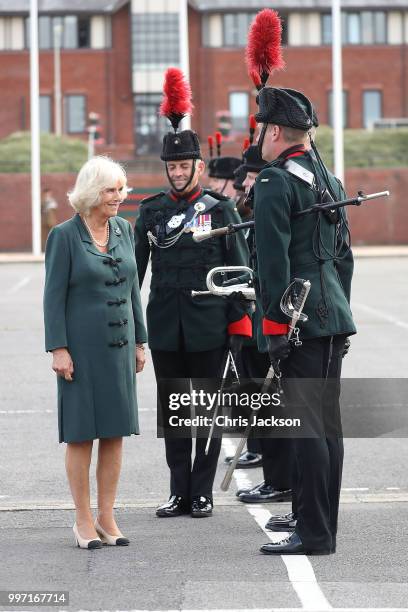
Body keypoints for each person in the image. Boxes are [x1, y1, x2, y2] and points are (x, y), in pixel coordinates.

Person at [134, 68, 251, 519]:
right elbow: (135, 273)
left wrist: (239, 326)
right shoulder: (152, 212)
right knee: (175, 413)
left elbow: (240, 271)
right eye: (172, 167)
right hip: (165, 326)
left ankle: (201, 491)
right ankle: (178, 490)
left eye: (185, 166)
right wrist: (135, 327)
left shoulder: (218, 210)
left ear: (199, 167)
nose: (178, 173)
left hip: (209, 327)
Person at [253, 86, 356, 555]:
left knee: (307, 427)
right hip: (331, 314)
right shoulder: (328, 179)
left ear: (274, 130)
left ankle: (313, 533)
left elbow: (272, 265)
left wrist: (274, 328)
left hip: (297, 320)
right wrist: (339, 311)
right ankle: (322, 528)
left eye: (261, 128)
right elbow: (344, 257)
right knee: (326, 426)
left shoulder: (275, 181)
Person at [43, 156, 147, 549]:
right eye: (110, 190)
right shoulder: (64, 236)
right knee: (81, 435)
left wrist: (140, 341)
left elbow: (133, 289)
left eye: (121, 189)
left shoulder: (123, 228)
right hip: (81, 352)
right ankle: (83, 519)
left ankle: (107, 515)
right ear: (91, 192)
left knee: (115, 434)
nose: (119, 197)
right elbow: (53, 298)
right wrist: (58, 349)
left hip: (119, 347)